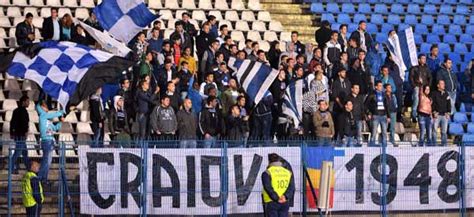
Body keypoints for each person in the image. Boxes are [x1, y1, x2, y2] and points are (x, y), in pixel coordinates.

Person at [36, 100, 64, 182]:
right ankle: (40, 178)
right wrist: (63, 111)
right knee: (46, 161)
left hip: (51, 141)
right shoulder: (42, 116)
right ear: (41, 107)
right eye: (45, 106)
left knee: (48, 161)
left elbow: (55, 128)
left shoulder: (48, 120)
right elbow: (55, 114)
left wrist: (60, 122)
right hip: (46, 141)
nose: (47, 107)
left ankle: (44, 178)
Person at [10, 96, 31, 174]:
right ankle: (11, 168)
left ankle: (29, 167)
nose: (28, 103)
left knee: (24, 152)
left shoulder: (17, 111)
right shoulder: (22, 111)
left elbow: (12, 123)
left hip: (19, 135)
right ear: (23, 102)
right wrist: (25, 132)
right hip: (20, 135)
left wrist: (12, 133)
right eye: (27, 101)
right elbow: (24, 123)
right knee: (18, 152)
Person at [409, 54, 432, 121]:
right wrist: (414, 86)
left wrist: (428, 86)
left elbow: (430, 77)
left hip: (424, 87)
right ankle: (414, 115)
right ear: (419, 59)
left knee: (424, 102)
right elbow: (411, 78)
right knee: (416, 100)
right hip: (417, 86)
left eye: (425, 59)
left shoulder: (427, 68)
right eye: (422, 58)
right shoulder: (414, 68)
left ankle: (422, 114)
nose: (424, 60)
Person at [366, 81, 388, 147]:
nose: (381, 87)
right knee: (374, 131)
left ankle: (384, 145)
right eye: (379, 86)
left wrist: (388, 115)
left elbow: (387, 105)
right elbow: (366, 105)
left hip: (383, 115)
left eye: (381, 86)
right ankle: (372, 144)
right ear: (376, 87)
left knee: (384, 132)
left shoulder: (384, 95)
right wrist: (368, 113)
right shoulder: (372, 95)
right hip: (375, 115)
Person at [432, 80, 451, 146]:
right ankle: (434, 145)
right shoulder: (434, 93)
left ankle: (444, 145)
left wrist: (448, 112)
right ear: (438, 85)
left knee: (444, 131)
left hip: (444, 115)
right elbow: (432, 104)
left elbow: (449, 104)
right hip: (437, 115)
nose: (443, 85)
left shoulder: (446, 93)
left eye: (444, 84)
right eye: (442, 84)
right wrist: (434, 112)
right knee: (434, 130)